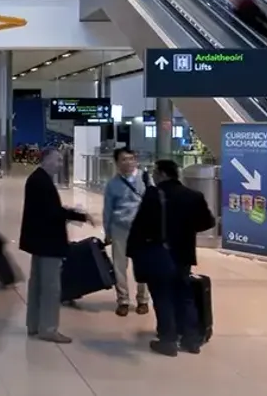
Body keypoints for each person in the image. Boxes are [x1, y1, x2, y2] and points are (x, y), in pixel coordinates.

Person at [127, 159, 216, 357]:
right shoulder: (193, 196)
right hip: (183, 254)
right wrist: (186, 230)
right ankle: (191, 340)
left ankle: (168, 340)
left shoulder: (154, 194)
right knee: (184, 295)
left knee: (162, 295)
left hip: (159, 254)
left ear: (163, 174)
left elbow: (141, 225)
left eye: (156, 173)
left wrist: (134, 250)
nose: (154, 176)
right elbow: (207, 222)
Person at [19, 148, 92, 343]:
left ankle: (34, 324)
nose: (60, 164)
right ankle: (48, 328)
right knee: (51, 287)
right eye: (57, 160)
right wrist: (78, 215)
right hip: (48, 243)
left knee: (37, 284)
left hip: (39, 241)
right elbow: (52, 213)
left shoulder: (37, 179)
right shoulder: (41, 182)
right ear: (46, 160)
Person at [102, 148, 150, 316]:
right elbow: (108, 209)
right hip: (119, 228)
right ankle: (123, 300)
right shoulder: (112, 184)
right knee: (119, 266)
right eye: (124, 159)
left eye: (131, 158)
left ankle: (143, 300)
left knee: (143, 264)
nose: (128, 162)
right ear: (117, 163)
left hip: (141, 229)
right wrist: (107, 230)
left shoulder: (145, 179)